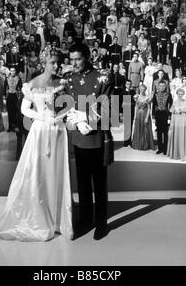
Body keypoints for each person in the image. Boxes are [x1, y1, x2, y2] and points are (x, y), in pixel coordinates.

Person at [0, 53, 73, 242]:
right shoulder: (32, 84)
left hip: (59, 130)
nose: (56, 65)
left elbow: (70, 105)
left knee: (57, 170)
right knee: (39, 171)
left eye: (58, 62)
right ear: (43, 64)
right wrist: (43, 117)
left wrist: (61, 116)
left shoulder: (62, 82)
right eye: (52, 63)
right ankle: (40, 216)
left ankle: (58, 219)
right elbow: (25, 109)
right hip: (41, 129)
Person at [64, 43, 114, 240]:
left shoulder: (103, 76)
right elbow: (66, 104)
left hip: (97, 136)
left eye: (78, 59)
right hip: (78, 136)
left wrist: (84, 117)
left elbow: (108, 107)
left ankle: (101, 223)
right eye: (72, 59)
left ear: (87, 57)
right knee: (83, 182)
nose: (74, 63)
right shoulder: (68, 79)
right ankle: (85, 219)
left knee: (99, 183)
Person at [167, 88, 186, 161]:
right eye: (179, 94)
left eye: (181, 94)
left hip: (183, 119)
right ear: (177, 94)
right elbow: (172, 112)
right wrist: (172, 122)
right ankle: (176, 153)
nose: (180, 95)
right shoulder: (175, 102)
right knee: (177, 135)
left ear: (183, 94)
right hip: (176, 120)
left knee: (183, 135)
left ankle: (183, 153)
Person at [131, 85, 155, 151]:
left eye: (144, 89)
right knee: (138, 128)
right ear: (139, 89)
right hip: (138, 114)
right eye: (141, 89)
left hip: (145, 114)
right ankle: (138, 144)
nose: (143, 90)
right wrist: (135, 116)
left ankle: (145, 145)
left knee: (145, 129)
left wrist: (147, 117)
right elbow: (136, 107)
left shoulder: (147, 98)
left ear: (146, 90)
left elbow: (149, 108)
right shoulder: (137, 97)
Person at [152, 81, 173, 155]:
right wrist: (153, 117)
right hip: (158, 114)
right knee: (159, 132)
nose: (161, 87)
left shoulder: (168, 95)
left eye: (163, 86)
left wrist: (169, 118)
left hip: (165, 114)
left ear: (165, 86)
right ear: (158, 86)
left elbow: (170, 107)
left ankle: (165, 149)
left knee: (165, 133)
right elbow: (153, 106)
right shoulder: (155, 94)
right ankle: (160, 148)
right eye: (160, 86)